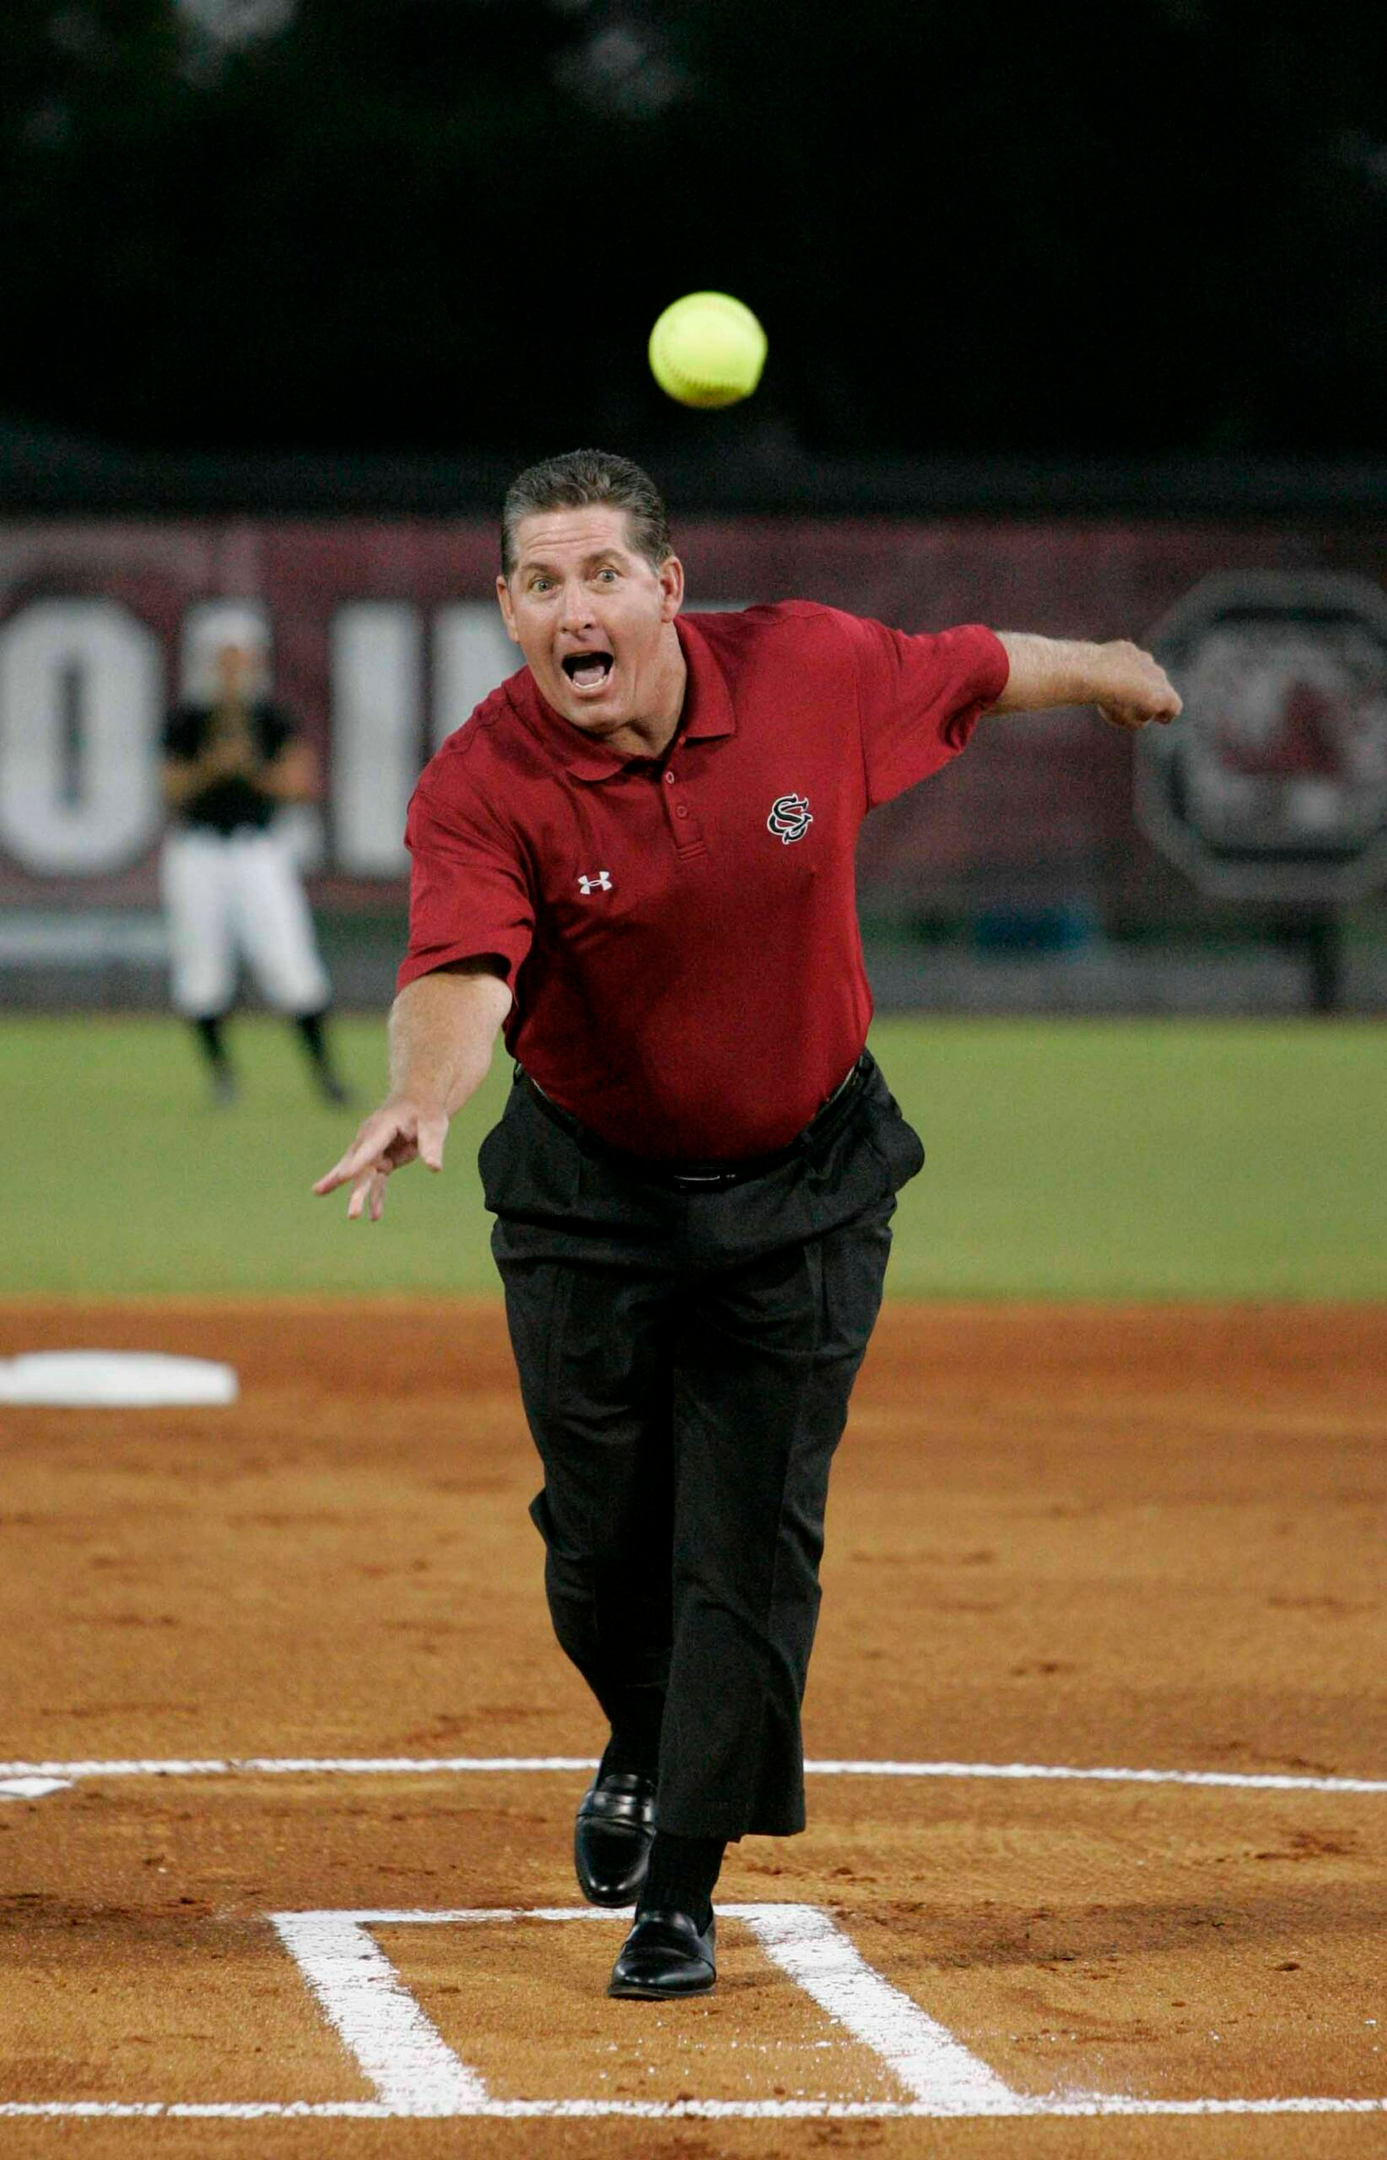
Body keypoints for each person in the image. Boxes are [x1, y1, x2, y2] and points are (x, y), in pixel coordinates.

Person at [315, 448, 1181, 2001]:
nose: (572, 606)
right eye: (539, 581)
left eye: (600, 574)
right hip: (590, 1198)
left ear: (665, 587)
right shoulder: (482, 778)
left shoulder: (808, 669)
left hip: (804, 1189)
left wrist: (1107, 666)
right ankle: (640, 1736)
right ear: (508, 611)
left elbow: (984, 661)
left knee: (744, 1550)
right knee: (597, 1547)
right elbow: (458, 973)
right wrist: (422, 1095)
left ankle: (680, 1881)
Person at [162, 638, 350, 1106]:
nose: (231, 675)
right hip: (198, 850)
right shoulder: (188, 721)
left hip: (257, 850)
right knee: (201, 968)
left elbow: (298, 783)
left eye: (239, 664)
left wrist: (247, 769)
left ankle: (325, 1075)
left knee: (289, 961)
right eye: (224, 664)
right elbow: (169, 787)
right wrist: (212, 767)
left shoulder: (273, 720)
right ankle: (222, 1078)